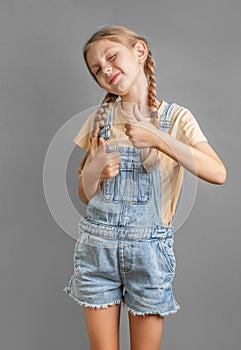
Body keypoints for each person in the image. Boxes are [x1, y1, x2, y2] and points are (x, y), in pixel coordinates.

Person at [63, 25, 226, 350]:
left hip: (149, 256)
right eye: (97, 69)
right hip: (98, 253)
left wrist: (159, 140)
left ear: (139, 51)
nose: (105, 69)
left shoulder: (175, 118)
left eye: (111, 57)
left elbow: (217, 172)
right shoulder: (100, 120)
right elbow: (85, 193)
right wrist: (93, 171)